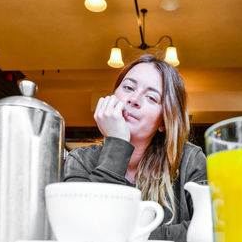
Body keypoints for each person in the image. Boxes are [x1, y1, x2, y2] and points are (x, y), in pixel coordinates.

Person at [64, 54, 207, 241]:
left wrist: (133, 235)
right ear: (112, 97)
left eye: (151, 98)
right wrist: (117, 143)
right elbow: (82, 230)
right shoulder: (81, 160)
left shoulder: (189, 159)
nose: (134, 99)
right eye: (128, 87)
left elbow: (211, 225)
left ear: (163, 122)